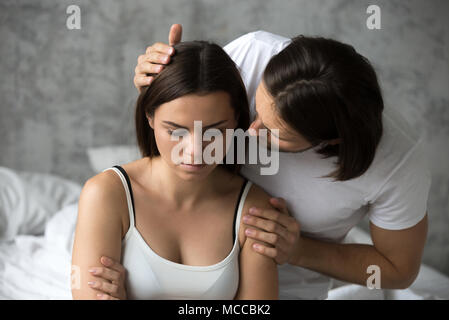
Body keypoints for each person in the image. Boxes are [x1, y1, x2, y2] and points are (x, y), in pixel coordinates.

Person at [90, 25, 430, 300]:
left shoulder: (398, 163)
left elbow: (398, 269)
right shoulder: (253, 55)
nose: (248, 133)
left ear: (330, 141)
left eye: (275, 133)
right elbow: (189, 104)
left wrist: (297, 250)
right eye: (255, 107)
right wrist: (160, 83)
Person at [71, 41, 279, 300]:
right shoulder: (106, 194)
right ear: (150, 117)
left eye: (214, 131)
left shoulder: (255, 209)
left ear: (237, 120)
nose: (194, 151)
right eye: (175, 131)